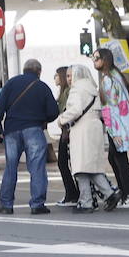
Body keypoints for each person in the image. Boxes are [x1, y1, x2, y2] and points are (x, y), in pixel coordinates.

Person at [0, 59, 58, 214]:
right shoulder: (42, 87)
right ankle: (37, 204)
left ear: (24, 69)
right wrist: (42, 119)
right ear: (39, 72)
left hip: (12, 131)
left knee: (10, 167)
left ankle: (6, 204)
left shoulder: (10, 84)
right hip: (34, 129)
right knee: (37, 168)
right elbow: (53, 112)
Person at [56, 63, 120, 212]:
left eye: (70, 75)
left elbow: (76, 109)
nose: (69, 79)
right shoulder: (92, 88)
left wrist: (61, 119)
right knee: (92, 166)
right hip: (95, 128)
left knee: (80, 167)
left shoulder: (77, 90)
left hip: (82, 130)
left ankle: (86, 201)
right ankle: (109, 194)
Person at [93, 48, 129, 208]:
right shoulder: (116, 75)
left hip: (117, 127)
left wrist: (113, 132)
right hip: (123, 124)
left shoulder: (108, 80)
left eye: (97, 58)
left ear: (105, 60)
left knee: (120, 161)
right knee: (116, 159)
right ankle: (127, 193)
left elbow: (109, 108)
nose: (94, 61)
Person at [51, 66, 80, 206]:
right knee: (64, 163)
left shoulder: (68, 92)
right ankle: (71, 193)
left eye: (57, 75)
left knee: (64, 162)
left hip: (68, 132)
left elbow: (69, 111)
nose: (55, 78)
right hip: (65, 132)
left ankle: (73, 194)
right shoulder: (63, 92)